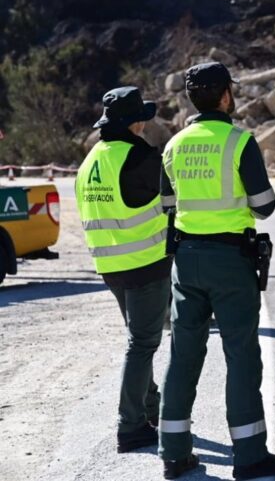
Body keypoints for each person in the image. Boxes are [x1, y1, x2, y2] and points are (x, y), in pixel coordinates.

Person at [158, 62, 275, 480]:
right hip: (230, 261)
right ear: (225, 96)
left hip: (187, 260)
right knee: (241, 355)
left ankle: (174, 453)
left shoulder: (174, 145)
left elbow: (167, 208)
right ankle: (250, 455)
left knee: (183, 355)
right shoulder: (239, 141)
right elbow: (265, 205)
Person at [76, 87, 170, 453]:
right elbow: (173, 199)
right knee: (142, 344)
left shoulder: (91, 160)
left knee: (138, 340)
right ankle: (131, 426)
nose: (144, 124)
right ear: (134, 123)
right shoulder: (141, 157)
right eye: (141, 118)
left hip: (110, 265)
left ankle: (150, 409)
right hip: (146, 262)